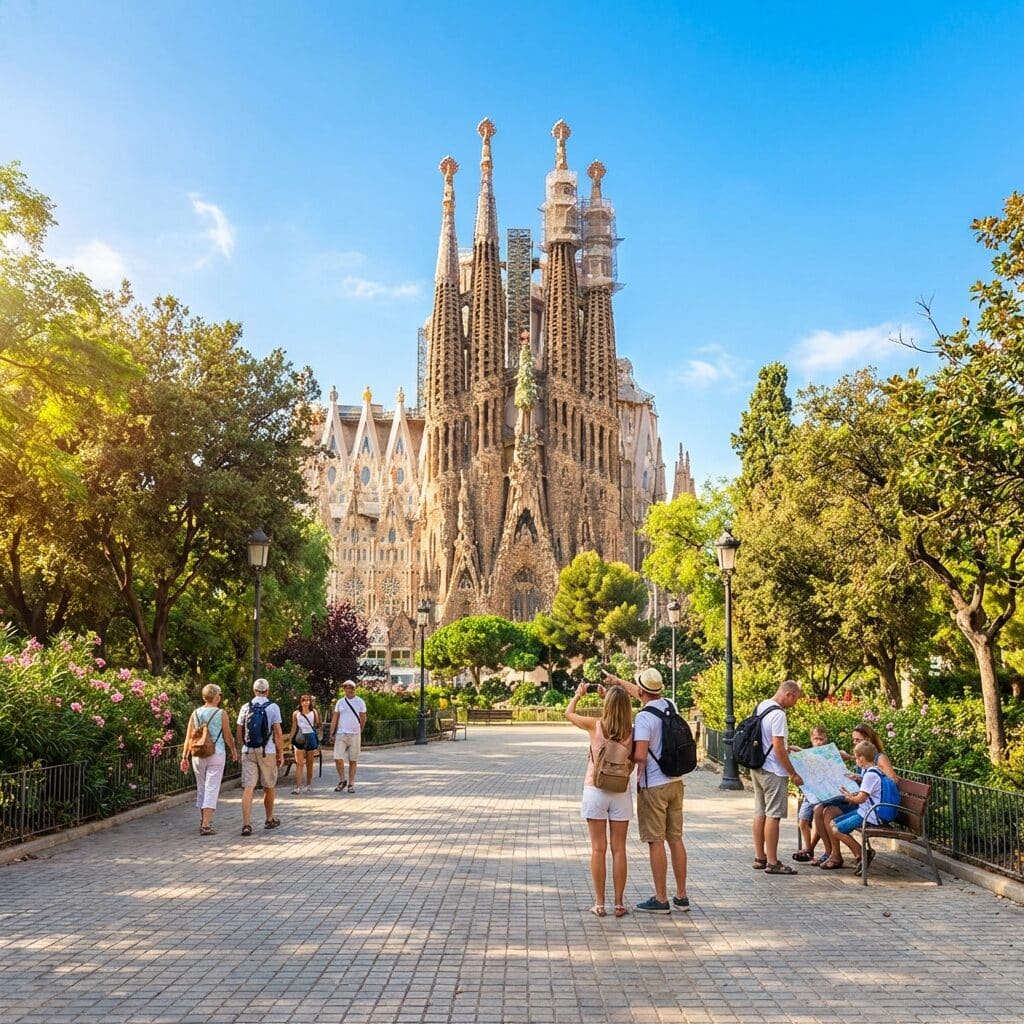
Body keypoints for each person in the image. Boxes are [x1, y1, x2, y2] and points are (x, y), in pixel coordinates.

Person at [621, 667, 691, 914]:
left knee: (656, 841)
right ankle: (681, 896)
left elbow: (640, 755)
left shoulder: (643, 718)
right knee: (676, 839)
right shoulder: (670, 705)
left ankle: (661, 898)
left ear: (640, 691)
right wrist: (618, 682)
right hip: (676, 782)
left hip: (653, 785)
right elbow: (643, 694)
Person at [565, 680, 634, 918]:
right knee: (619, 850)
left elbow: (569, 713)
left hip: (595, 790)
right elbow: (632, 763)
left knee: (598, 849)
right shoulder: (631, 732)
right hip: (621, 793)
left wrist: (578, 694)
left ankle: (600, 903)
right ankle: (618, 903)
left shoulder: (595, 726)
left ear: (607, 705)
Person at [815, 723, 898, 868]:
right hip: (865, 806)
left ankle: (859, 854)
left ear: (867, 740)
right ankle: (836, 854)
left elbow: (891, 780)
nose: (854, 743)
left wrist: (856, 792)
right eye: (853, 740)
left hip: (869, 810)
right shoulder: (870, 768)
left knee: (831, 818)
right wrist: (860, 779)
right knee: (825, 811)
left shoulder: (877, 762)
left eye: (857, 740)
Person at [750, 679, 804, 875]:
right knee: (773, 815)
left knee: (760, 812)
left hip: (758, 767)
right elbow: (778, 746)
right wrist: (792, 772)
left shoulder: (762, 706)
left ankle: (760, 857)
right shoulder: (779, 714)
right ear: (788, 694)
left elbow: (765, 741)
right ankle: (773, 861)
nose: (794, 703)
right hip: (774, 771)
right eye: (795, 699)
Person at [180, 683, 238, 835]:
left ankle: (203, 819)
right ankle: (206, 824)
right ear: (217, 697)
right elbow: (227, 736)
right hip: (216, 753)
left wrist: (184, 756)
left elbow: (189, 737)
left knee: (202, 787)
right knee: (212, 787)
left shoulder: (195, 713)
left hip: (198, 754)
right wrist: (233, 750)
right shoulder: (221, 713)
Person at [824, 740, 885, 874]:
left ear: (862, 759)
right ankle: (862, 855)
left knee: (836, 829)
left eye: (856, 757)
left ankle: (862, 854)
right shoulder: (874, 771)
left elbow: (861, 799)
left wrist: (848, 796)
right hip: (865, 811)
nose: (856, 760)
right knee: (832, 823)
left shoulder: (870, 775)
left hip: (870, 815)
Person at [236, 677, 284, 836]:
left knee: (248, 787)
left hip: (248, 750)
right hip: (267, 750)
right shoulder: (273, 707)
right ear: (267, 691)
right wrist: (280, 753)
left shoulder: (245, 707)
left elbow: (239, 730)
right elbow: (277, 732)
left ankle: (246, 824)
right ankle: (269, 819)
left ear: (254, 690)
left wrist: (243, 745)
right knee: (268, 785)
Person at [792, 725, 829, 862]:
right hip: (811, 794)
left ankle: (809, 850)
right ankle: (809, 848)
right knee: (802, 821)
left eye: (821, 739)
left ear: (825, 739)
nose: (818, 742)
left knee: (819, 820)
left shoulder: (828, 752)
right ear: (811, 739)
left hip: (823, 794)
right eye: (815, 739)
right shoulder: (807, 754)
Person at [330, 680, 366, 793]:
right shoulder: (340, 702)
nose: (349, 690)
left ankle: (351, 784)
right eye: (346, 688)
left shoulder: (360, 702)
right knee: (337, 757)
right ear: (344, 689)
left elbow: (363, 717)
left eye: (351, 688)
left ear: (354, 689)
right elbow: (335, 717)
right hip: (341, 733)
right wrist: (332, 733)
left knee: (353, 760)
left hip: (354, 734)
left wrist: (360, 729)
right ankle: (342, 780)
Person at [290, 694, 321, 794]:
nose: (306, 702)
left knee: (310, 762)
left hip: (310, 736)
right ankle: (298, 786)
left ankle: (309, 784)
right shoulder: (296, 713)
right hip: (300, 737)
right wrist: (291, 740)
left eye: (307, 700)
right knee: (299, 763)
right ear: (300, 702)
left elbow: (317, 724)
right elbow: (294, 727)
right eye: (304, 700)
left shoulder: (314, 712)